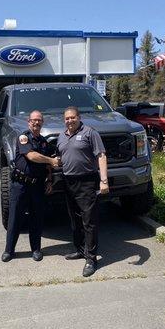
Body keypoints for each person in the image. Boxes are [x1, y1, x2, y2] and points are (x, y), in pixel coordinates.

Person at [57, 106, 109, 277]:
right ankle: (80, 250)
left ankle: (91, 259)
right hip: (68, 182)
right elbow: (60, 157)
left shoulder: (90, 132)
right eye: (67, 118)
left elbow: (101, 155)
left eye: (72, 117)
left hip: (86, 181)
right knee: (75, 219)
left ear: (79, 117)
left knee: (89, 221)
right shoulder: (61, 136)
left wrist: (103, 180)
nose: (69, 120)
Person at [1, 110, 59, 263]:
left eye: (39, 120)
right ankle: (9, 250)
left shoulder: (44, 142)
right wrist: (51, 160)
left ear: (42, 123)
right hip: (20, 185)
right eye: (34, 120)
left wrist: (49, 180)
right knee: (15, 219)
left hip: (37, 186)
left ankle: (36, 249)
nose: (36, 123)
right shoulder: (23, 137)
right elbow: (31, 156)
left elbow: (48, 166)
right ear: (29, 122)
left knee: (37, 218)